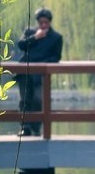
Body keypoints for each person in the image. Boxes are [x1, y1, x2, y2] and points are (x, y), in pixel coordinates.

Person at [16, 7, 64, 136]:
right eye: (41, 22)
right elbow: (21, 45)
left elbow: (56, 57)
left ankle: (36, 126)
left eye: (46, 23)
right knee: (24, 99)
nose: (43, 25)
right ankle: (25, 127)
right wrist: (35, 37)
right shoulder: (29, 32)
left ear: (49, 22)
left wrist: (42, 64)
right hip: (25, 71)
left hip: (41, 74)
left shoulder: (56, 37)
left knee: (38, 99)